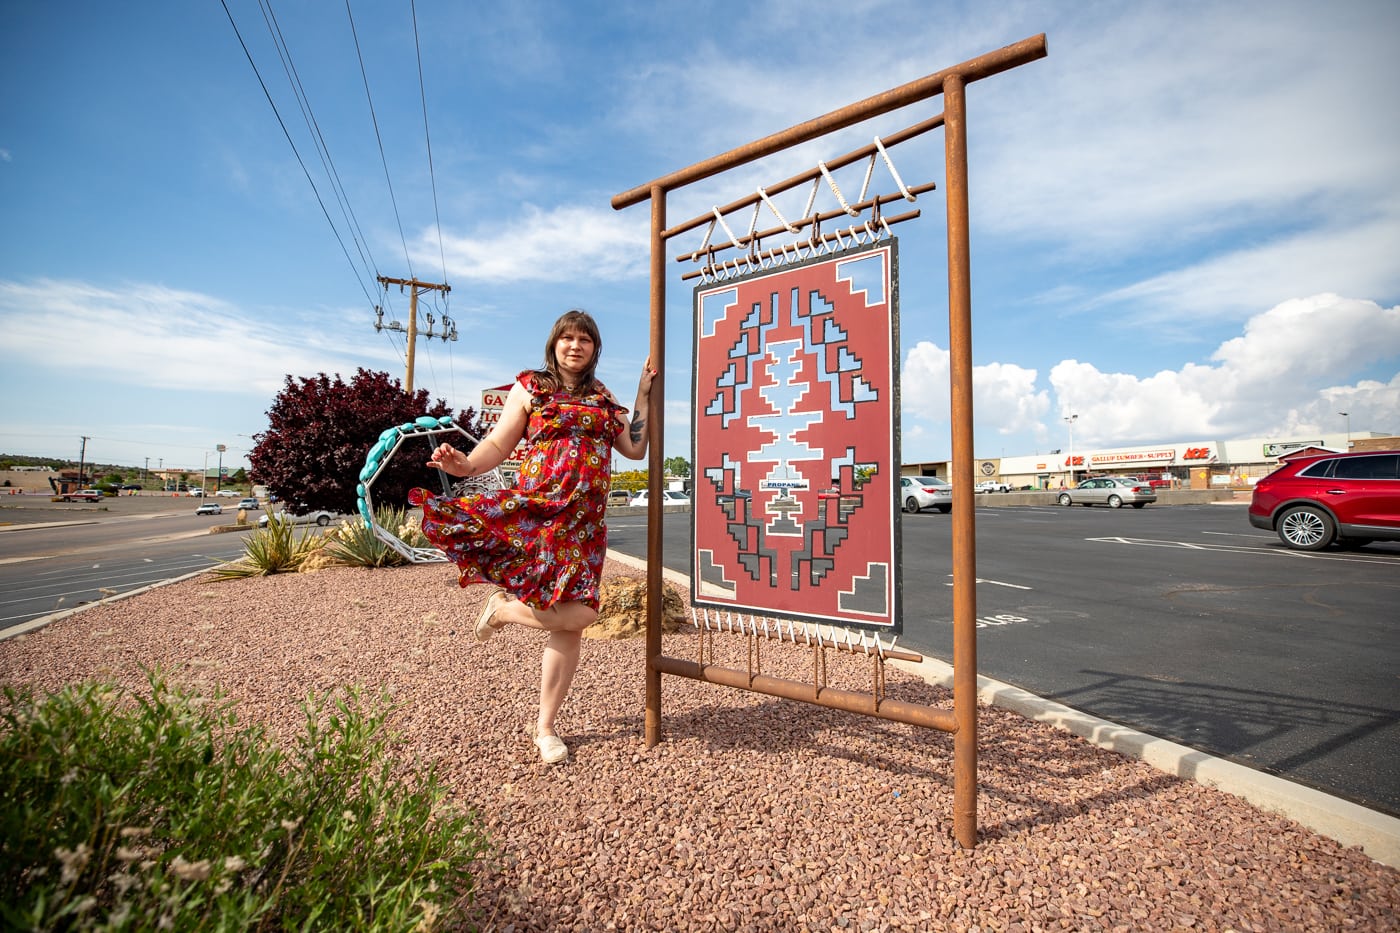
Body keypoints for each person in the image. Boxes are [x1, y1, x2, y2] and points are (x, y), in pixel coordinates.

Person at [409, 309, 655, 764]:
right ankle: (543, 724)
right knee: (573, 619)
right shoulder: (531, 387)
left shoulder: (603, 396)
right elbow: (500, 445)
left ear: (595, 349)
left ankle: (511, 631)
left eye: (585, 339)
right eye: (567, 338)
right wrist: (462, 464)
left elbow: (635, 449)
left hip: (583, 526)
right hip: (539, 514)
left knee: (577, 616)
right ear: (554, 344)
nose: (575, 346)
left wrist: (643, 394)